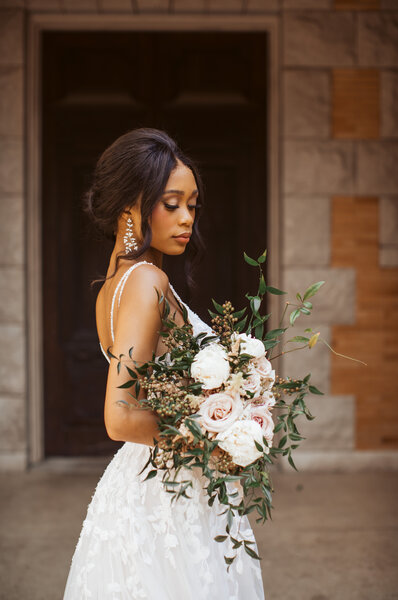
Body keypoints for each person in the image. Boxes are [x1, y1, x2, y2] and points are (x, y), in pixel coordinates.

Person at [63, 127, 265, 599]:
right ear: (132, 204)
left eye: (192, 205)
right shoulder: (145, 281)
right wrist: (213, 441)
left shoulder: (114, 284)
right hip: (168, 492)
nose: (186, 218)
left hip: (160, 480)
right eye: (172, 204)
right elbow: (119, 416)